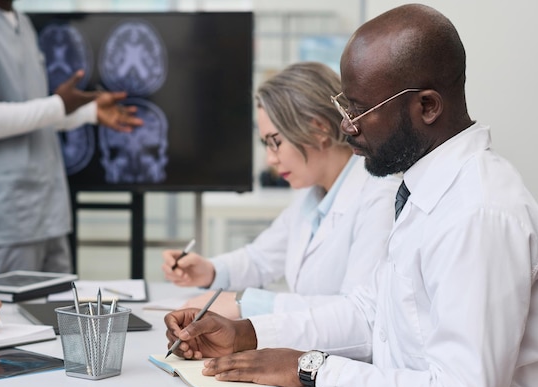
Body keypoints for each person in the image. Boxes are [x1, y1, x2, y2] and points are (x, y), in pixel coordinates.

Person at [164, 4, 538, 387]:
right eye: (345, 107)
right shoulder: (423, 191)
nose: (347, 126)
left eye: (358, 110)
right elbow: (370, 313)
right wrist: (246, 333)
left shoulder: (477, 214)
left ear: (427, 106)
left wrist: (311, 367)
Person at [161, 61, 399, 319]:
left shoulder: (378, 198)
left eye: (275, 143)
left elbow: (359, 315)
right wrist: (210, 271)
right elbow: (260, 259)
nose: (270, 161)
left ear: (318, 128)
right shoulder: (313, 195)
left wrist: (245, 302)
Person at [0, 0, 143, 280]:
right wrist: (58, 105)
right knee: (4, 322)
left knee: (59, 319)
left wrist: (88, 112)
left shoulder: (21, 23)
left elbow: (36, 114)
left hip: (46, 213)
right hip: (1, 220)